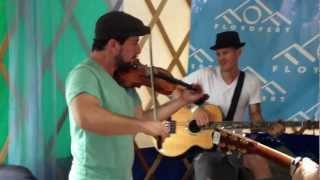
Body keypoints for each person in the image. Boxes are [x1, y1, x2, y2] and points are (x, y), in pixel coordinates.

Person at [65, 11, 204, 180]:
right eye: (135, 42)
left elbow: (142, 118)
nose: (139, 50)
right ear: (113, 45)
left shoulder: (124, 81)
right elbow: (86, 117)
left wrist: (182, 100)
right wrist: (144, 126)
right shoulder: (84, 74)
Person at [180, 31, 286, 180]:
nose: (221, 58)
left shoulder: (251, 81)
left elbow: (255, 115)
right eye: (218, 54)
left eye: (225, 53)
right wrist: (195, 109)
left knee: (259, 161)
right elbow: (175, 91)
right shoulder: (204, 75)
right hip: (205, 144)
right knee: (204, 169)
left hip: (234, 142)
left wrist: (268, 128)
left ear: (238, 52)